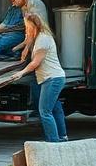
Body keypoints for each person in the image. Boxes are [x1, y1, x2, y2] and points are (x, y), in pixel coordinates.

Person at [10, 12, 68, 143]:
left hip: (52, 79)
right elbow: (27, 41)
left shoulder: (43, 39)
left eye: (26, 26)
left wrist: (21, 73)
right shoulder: (39, 36)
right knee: (55, 108)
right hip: (52, 78)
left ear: (32, 26)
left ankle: (53, 142)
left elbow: (36, 62)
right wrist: (19, 48)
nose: (25, 28)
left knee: (45, 112)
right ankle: (62, 137)